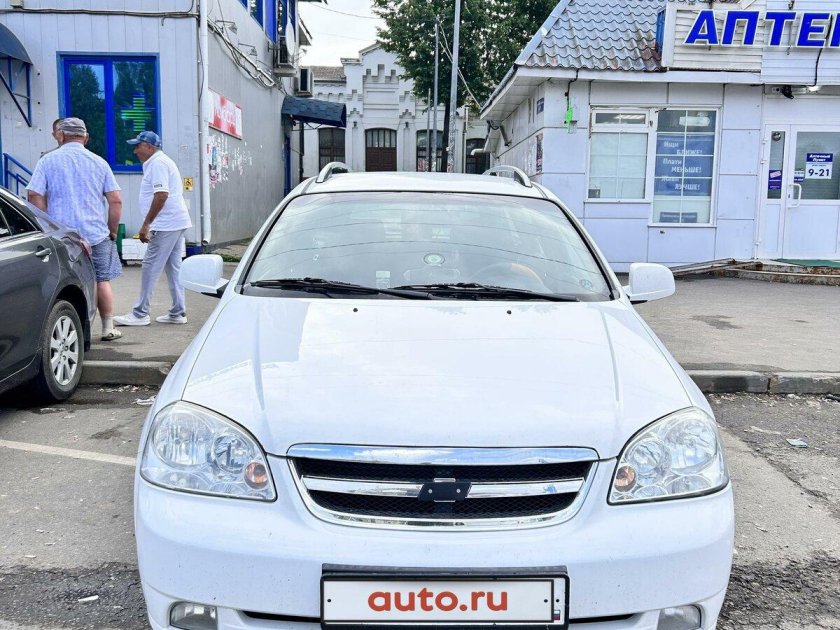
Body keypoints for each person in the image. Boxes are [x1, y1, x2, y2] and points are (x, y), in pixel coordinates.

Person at [26, 117, 124, 341]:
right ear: (85, 137)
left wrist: (45, 225)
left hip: (61, 237)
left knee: (63, 282)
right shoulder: (99, 162)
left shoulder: (47, 161)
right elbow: (116, 200)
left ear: (60, 135)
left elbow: (34, 195)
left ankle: (69, 331)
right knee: (101, 279)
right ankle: (108, 327)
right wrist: (112, 231)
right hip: (96, 234)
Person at [114, 131, 192, 327]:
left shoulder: (157, 163)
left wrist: (147, 223)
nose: (134, 151)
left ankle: (140, 313)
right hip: (175, 222)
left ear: (149, 146)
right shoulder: (159, 162)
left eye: (137, 146)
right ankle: (177, 312)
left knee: (150, 265)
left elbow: (161, 195)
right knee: (173, 268)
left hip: (166, 224)